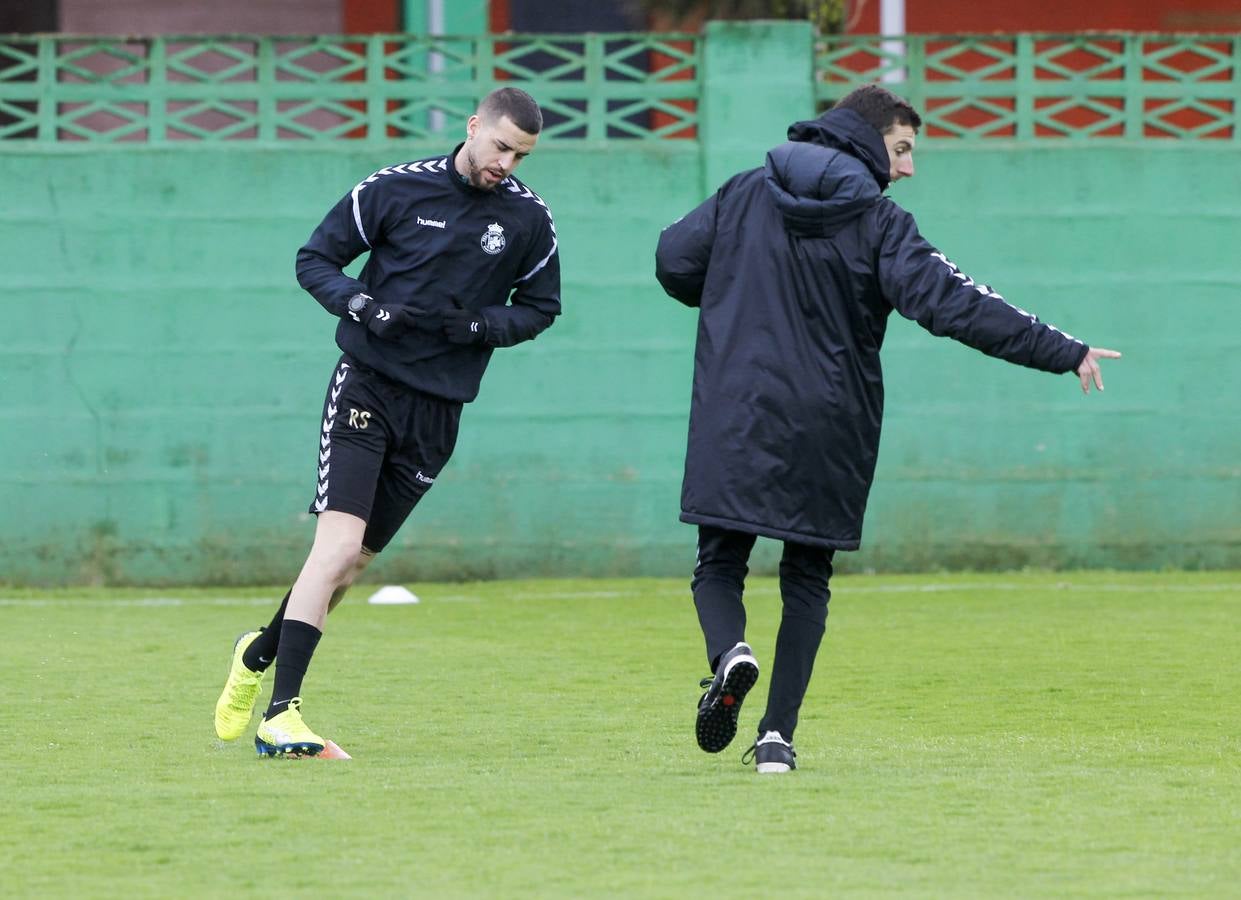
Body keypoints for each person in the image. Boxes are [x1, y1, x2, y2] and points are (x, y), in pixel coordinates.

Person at [654, 84, 1120, 774]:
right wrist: (1060, 348)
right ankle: (776, 739)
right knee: (805, 578)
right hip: (831, 421)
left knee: (718, 562)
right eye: (901, 150)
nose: (906, 168)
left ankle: (730, 656)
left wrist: (732, 287)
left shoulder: (743, 191)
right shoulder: (877, 222)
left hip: (735, 408)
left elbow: (672, 260)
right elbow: (955, 303)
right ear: (868, 140)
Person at [213, 87, 561, 757]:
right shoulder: (395, 190)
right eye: (499, 147)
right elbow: (314, 259)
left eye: (519, 154)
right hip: (366, 386)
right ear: (472, 128)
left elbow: (541, 308)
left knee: (350, 567)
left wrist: (482, 324)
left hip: (439, 412)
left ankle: (258, 652)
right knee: (336, 548)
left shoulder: (528, 221)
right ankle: (281, 715)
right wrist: (360, 306)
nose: (506, 164)